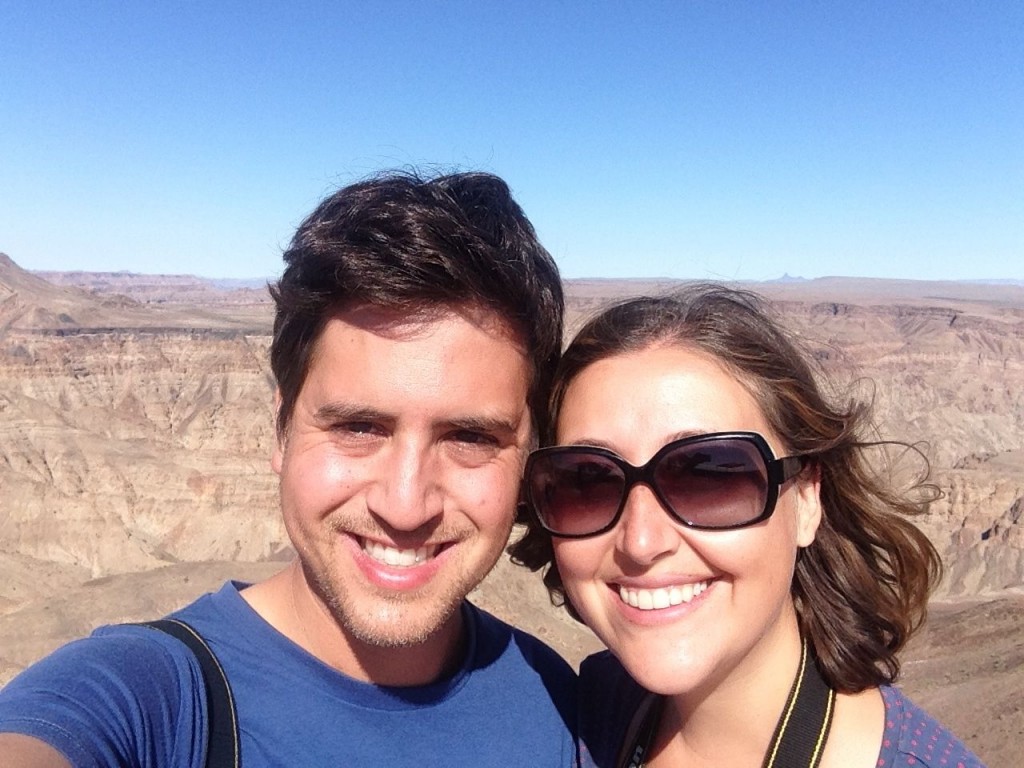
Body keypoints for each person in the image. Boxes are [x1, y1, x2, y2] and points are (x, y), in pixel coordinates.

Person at [0, 170, 579, 767]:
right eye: (359, 427)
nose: (406, 505)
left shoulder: (556, 704)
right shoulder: (152, 703)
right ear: (281, 429)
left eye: (469, 436)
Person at [512, 284, 985, 767]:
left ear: (805, 498)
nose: (641, 540)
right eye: (587, 481)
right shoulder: (596, 709)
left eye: (708, 475)